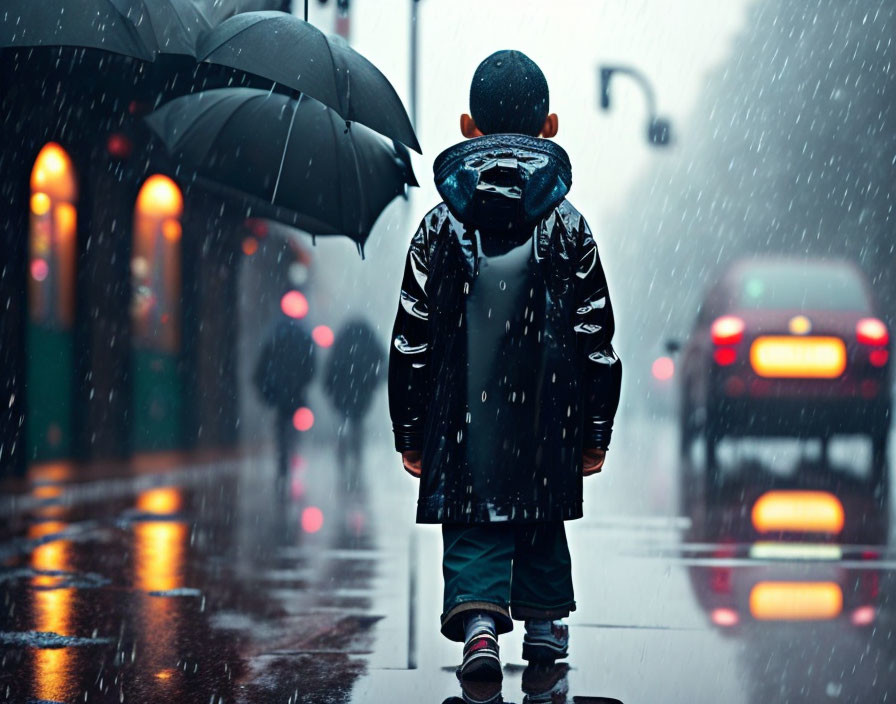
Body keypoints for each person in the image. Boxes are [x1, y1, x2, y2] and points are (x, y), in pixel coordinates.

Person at [388, 50, 622, 681]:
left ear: (468, 126)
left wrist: (410, 432)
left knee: (471, 527)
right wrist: (594, 432)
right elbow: (595, 338)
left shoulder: (439, 228)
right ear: (550, 126)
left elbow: (412, 339)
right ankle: (544, 630)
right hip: (549, 418)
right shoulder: (570, 227)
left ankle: (481, 632)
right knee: (541, 521)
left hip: (461, 421)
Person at [323, 318, 385, 490]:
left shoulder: (344, 338)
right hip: (361, 389)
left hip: (343, 390)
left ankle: (343, 458)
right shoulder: (368, 337)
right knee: (357, 424)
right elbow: (382, 360)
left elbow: (331, 364)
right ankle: (356, 459)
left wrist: (329, 387)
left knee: (344, 423)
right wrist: (375, 380)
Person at [253, 313, 317, 479]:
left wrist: (268, 386)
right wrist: (302, 382)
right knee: (292, 425)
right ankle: (290, 453)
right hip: (295, 391)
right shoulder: (303, 337)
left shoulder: (276, 336)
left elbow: (263, 364)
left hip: (281, 391)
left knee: (282, 423)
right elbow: (311, 367)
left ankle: (283, 462)